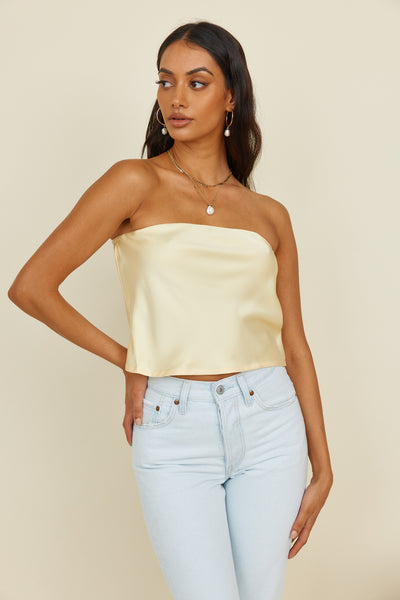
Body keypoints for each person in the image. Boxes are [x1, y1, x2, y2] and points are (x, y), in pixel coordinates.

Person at [8, 20, 333, 600]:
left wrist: (323, 464)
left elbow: (295, 346)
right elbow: (31, 287)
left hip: (269, 419)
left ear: (231, 97)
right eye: (165, 82)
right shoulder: (134, 181)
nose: (176, 98)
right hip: (173, 422)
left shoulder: (269, 215)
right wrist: (131, 359)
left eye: (197, 83)